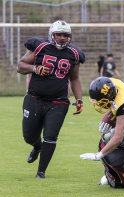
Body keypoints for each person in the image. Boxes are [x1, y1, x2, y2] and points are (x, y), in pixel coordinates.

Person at [16, 20, 85, 178]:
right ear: (51, 35)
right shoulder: (40, 47)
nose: (62, 38)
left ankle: (41, 172)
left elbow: (74, 78)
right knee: (29, 136)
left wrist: (79, 99)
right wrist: (35, 68)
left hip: (58, 102)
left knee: (51, 136)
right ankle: (37, 146)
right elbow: (20, 66)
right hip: (34, 98)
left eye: (65, 35)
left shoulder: (74, 54)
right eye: (58, 34)